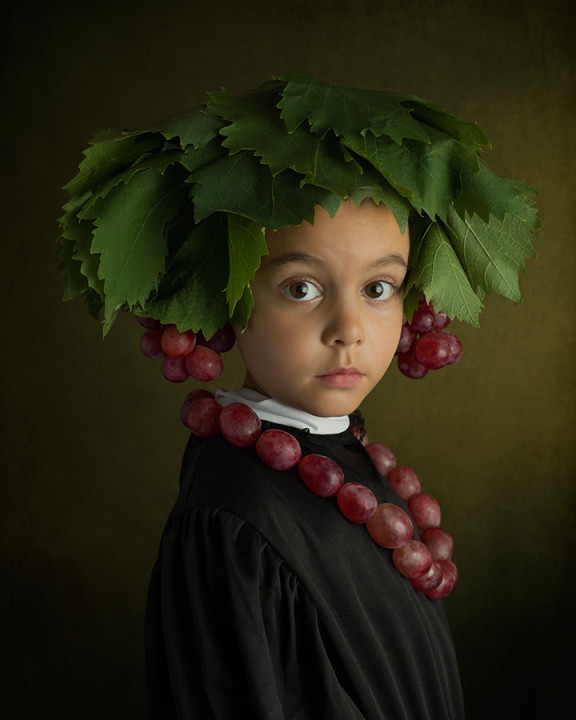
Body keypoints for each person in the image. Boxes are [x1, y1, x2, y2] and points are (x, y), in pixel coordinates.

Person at [58, 74, 538, 719]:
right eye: (301, 289)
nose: (349, 332)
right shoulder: (233, 526)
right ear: (223, 299)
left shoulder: (341, 457)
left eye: (378, 289)